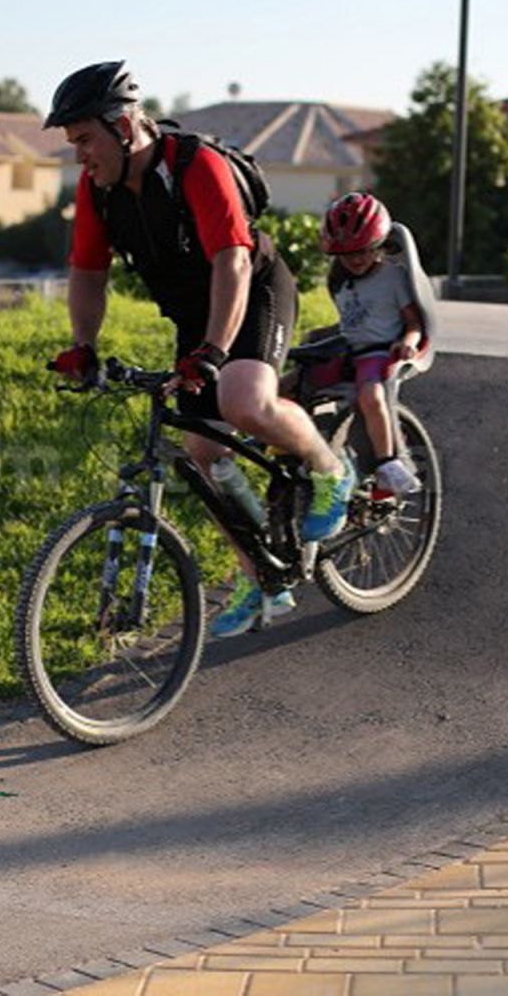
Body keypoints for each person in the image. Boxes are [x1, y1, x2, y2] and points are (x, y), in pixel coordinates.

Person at [43, 61, 355, 639]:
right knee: (202, 452)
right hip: (195, 315)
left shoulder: (195, 165)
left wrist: (213, 350)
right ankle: (262, 574)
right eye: (72, 144)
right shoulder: (97, 190)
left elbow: (232, 263)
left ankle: (331, 470)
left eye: (85, 139)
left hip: (252, 290)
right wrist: (83, 348)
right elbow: (88, 272)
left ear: (124, 125)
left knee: (243, 401)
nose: (79, 155)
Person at [313, 192, 425, 496]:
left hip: (379, 354)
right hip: (349, 352)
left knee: (371, 396)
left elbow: (413, 321)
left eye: (364, 250)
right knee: (288, 387)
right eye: (347, 254)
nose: (356, 260)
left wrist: (408, 342)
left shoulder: (392, 277)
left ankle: (389, 465)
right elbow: (351, 325)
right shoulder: (340, 281)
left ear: (380, 244)